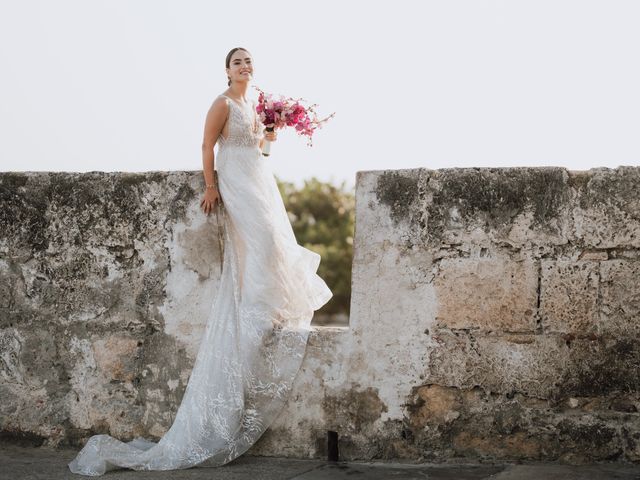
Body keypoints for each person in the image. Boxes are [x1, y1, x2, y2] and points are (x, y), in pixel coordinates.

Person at [68, 47, 333, 476]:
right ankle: (258, 308)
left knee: (270, 241)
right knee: (261, 241)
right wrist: (210, 187)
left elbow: (262, 152)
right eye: (237, 62)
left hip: (258, 178)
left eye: (248, 61)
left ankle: (268, 305)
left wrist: (271, 132)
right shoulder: (222, 103)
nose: (244, 67)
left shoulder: (256, 101)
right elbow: (208, 144)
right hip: (234, 182)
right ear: (226, 71)